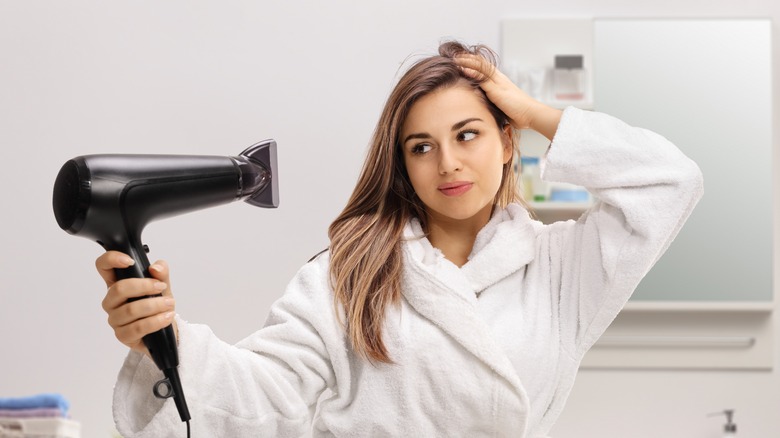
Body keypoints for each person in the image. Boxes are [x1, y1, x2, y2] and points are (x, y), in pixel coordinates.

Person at [96, 41, 703, 437]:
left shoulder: (561, 268)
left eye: (468, 135)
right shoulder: (350, 271)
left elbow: (669, 183)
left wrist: (530, 107)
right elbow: (269, 393)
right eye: (422, 147)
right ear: (403, 164)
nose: (448, 164)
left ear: (506, 140)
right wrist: (166, 339)